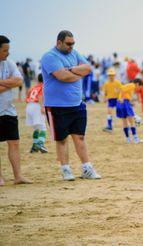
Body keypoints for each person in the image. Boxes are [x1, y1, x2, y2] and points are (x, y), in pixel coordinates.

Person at [40, 30, 101, 181]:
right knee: (61, 139)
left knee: (80, 137)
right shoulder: (49, 56)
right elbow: (62, 77)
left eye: (73, 43)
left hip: (77, 104)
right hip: (56, 106)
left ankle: (87, 168)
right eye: (68, 44)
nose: (71, 46)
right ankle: (65, 169)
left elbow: (88, 69)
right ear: (58, 42)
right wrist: (76, 74)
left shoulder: (74, 53)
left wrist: (71, 70)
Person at [0, 35, 32, 185]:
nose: (8, 53)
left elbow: (19, 81)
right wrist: (9, 84)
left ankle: (18, 176)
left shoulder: (10, 63)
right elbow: (13, 82)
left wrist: (3, 83)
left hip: (9, 111)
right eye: (5, 50)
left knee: (14, 143)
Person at [25, 73, 48, 153]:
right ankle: (40, 144)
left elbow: (27, 96)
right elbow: (40, 96)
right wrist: (42, 107)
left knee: (36, 127)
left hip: (29, 106)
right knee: (43, 127)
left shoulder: (33, 87)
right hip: (37, 105)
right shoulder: (43, 86)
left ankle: (34, 147)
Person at [116, 78, 143, 143]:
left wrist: (129, 102)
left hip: (120, 103)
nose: (139, 89)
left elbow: (122, 90)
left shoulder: (129, 86)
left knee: (124, 122)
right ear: (137, 84)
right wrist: (122, 98)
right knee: (132, 121)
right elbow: (122, 90)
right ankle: (135, 138)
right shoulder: (132, 85)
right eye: (140, 87)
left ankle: (128, 138)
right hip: (124, 102)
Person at [102, 68, 122, 132]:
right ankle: (110, 126)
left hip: (117, 99)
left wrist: (120, 98)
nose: (111, 76)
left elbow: (121, 91)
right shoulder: (106, 84)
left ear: (114, 75)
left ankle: (129, 124)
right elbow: (105, 93)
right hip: (110, 100)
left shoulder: (118, 83)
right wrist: (104, 98)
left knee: (122, 112)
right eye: (110, 75)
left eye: (112, 75)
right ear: (108, 76)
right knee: (109, 112)